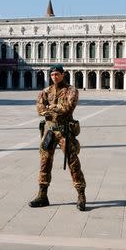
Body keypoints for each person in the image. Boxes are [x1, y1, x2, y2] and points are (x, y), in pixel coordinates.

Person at [30, 64, 87, 211]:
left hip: (65, 132)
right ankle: (42, 195)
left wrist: (50, 108)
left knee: (73, 162)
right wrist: (51, 110)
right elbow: (40, 109)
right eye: (52, 75)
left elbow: (68, 107)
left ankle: (81, 195)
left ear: (63, 74)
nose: (54, 77)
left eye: (57, 74)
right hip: (49, 132)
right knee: (44, 162)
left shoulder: (71, 90)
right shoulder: (45, 91)